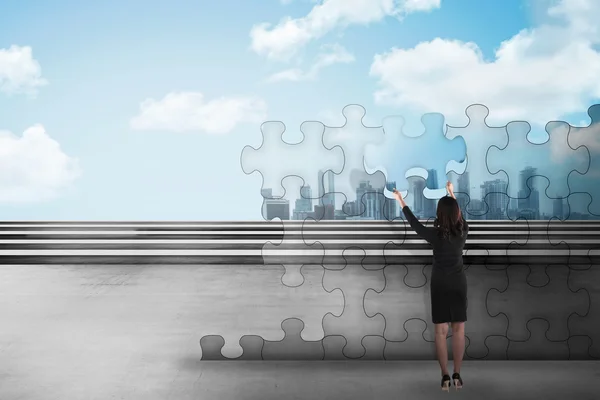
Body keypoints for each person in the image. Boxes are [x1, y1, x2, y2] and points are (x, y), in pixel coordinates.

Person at [392, 181, 468, 392]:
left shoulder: (435, 236)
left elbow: (414, 224)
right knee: (459, 330)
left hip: (440, 284)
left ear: (439, 214)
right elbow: (459, 215)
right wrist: (451, 192)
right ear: (457, 214)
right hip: (459, 284)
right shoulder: (463, 232)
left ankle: (444, 376)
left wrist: (401, 200)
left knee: (441, 332)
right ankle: (458, 375)